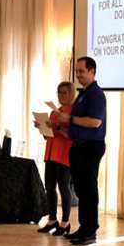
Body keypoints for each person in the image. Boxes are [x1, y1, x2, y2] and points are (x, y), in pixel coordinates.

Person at [54, 56, 106, 245]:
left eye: (81, 71)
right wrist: (59, 126)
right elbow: (76, 124)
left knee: (88, 190)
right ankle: (83, 228)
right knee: (82, 191)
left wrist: (70, 119)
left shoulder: (96, 94)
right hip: (78, 147)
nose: (78, 75)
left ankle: (90, 230)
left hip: (90, 147)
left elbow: (95, 122)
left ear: (92, 72)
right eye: (77, 71)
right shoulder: (83, 94)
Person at [37, 81, 75, 237]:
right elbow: (48, 136)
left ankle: (65, 223)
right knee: (50, 187)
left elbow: (72, 135)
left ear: (72, 94)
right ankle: (52, 220)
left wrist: (57, 127)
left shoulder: (73, 113)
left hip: (64, 154)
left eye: (64, 93)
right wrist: (42, 127)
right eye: (59, 93)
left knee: (64, 188)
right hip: (51, 153)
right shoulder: (55, 112)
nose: (61, 96)